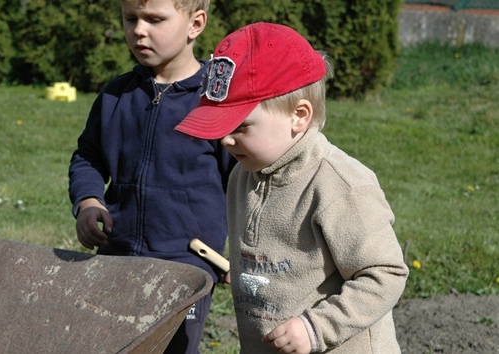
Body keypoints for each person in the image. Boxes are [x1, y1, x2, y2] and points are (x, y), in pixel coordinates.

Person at [175, 22, 409, 353]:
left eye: (240, 126)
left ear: (298, 116)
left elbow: (385, 274)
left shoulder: (338, 185)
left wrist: (317, 328)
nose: (224, 139)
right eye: (220, 126)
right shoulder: (244, 174)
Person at [68, 0, 235, 353]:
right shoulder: (116, 96)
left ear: (196, 24)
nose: (139, 30)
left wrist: (247, 250)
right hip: (117, 256)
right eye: (131, 19)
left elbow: (244, 183)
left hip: (188, 266)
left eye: (155, 19)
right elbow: (89, 156)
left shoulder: (216, 103)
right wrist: (88, 200)